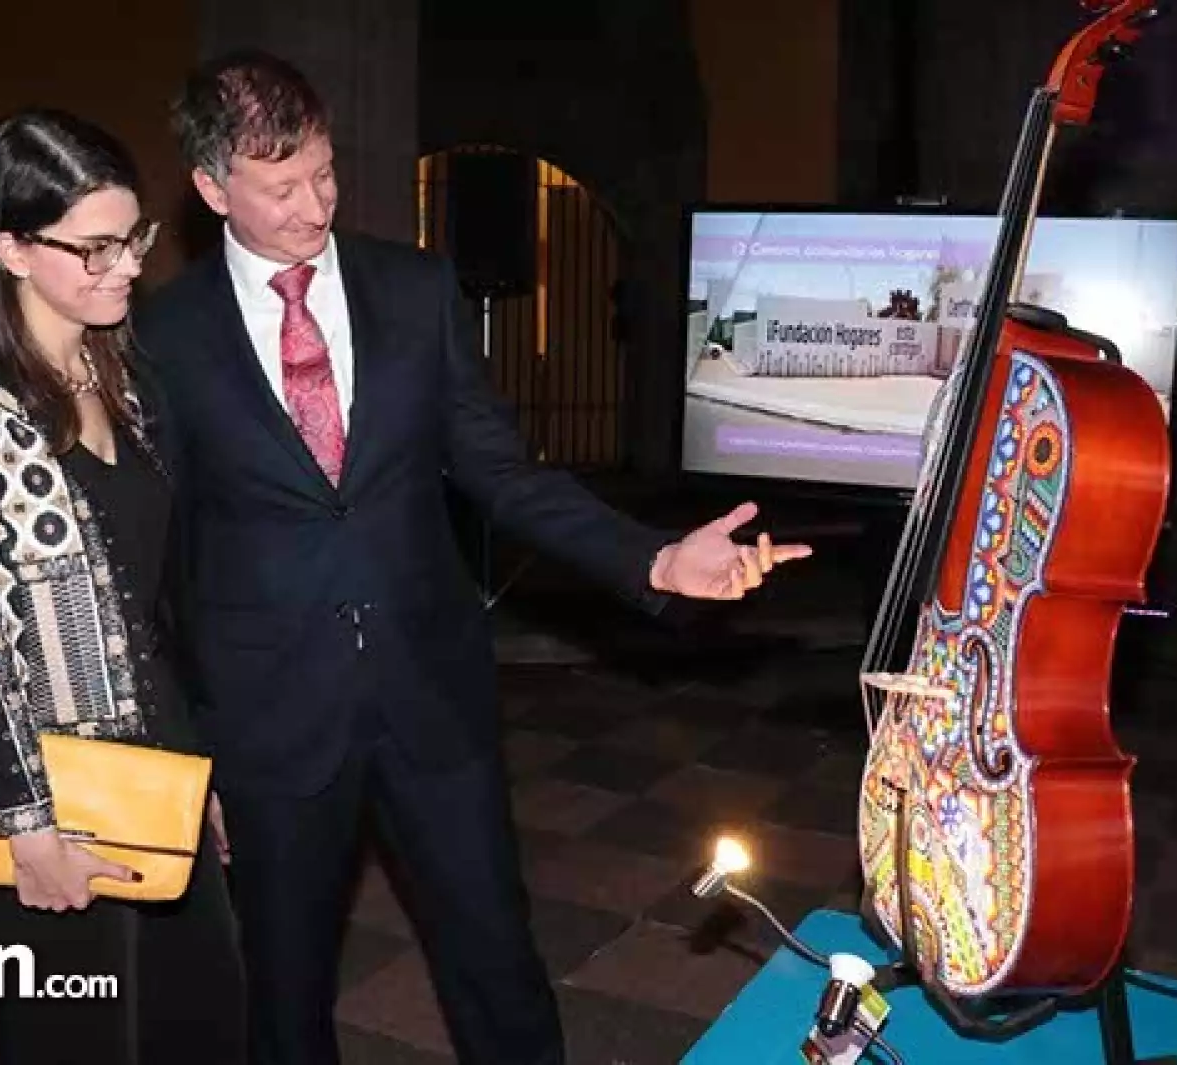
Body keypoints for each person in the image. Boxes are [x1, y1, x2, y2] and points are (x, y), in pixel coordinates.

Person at [136, 50, 810, 1065]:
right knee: (281, 991)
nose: (314, 206)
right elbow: (159, 562)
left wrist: (654, 561)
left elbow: (503, 472)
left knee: (496, 964)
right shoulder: (161, 335)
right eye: (280, 188)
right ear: (210, 186)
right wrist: (189, 752)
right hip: (266, 722)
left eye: (324, 173)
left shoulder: (413, 289)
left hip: (430, 698)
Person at [0, 108, 246, 1065]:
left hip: (158, 768)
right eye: (94, 248)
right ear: (11, 248)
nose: (126, 266)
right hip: (45, 797)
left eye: (133, 239)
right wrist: (30, 827)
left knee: (203, 1024)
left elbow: (153, 604)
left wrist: (198, 772)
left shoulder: (123, 370)